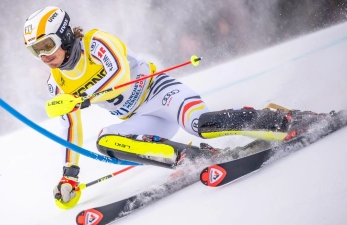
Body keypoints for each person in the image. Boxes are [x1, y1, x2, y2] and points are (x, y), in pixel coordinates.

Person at [23, 6, 337, 209]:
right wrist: (70, 174)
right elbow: (70, 127)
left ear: (64, 35)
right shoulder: (56, 83)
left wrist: (86, 97)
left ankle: (285, 119)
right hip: (139, 119)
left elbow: (120, 72)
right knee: (106, 141)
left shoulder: (96, 43)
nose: (43, 56)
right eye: (35, 51)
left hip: (161, 94)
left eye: (47, 45)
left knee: (198, 124)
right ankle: (194, 158)